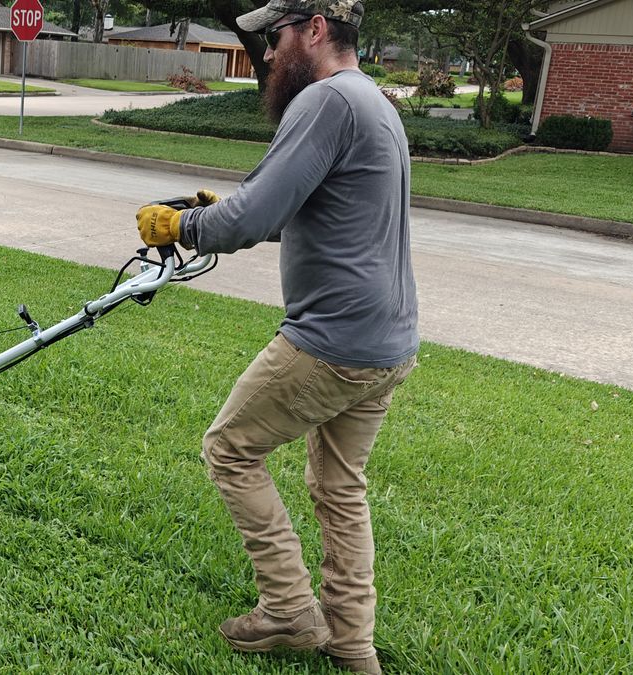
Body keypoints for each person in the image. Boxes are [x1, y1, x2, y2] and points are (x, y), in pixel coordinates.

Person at [134, 1, 418, 673]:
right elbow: (306, 211)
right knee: (340, 488)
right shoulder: (372, 102)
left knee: (228, 447)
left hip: (333, 341)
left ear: (314, 29)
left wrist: (182, 226)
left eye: (275, 37)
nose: (265, 54)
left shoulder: (326, 103)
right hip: (389, 341)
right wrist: (217, 208)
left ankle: (289, 609)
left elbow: (250, 219)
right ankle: (351, 643)